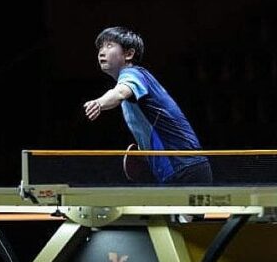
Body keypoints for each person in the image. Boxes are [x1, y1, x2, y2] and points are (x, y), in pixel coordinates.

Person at [83, 26, 212, 183]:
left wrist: (99, 103)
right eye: (100, 48)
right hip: (177, 171)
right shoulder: (138, 86)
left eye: (109, 46)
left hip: (185, 168)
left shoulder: (133, 74)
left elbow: (119, 93)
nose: (101, 52)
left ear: (129, 54)